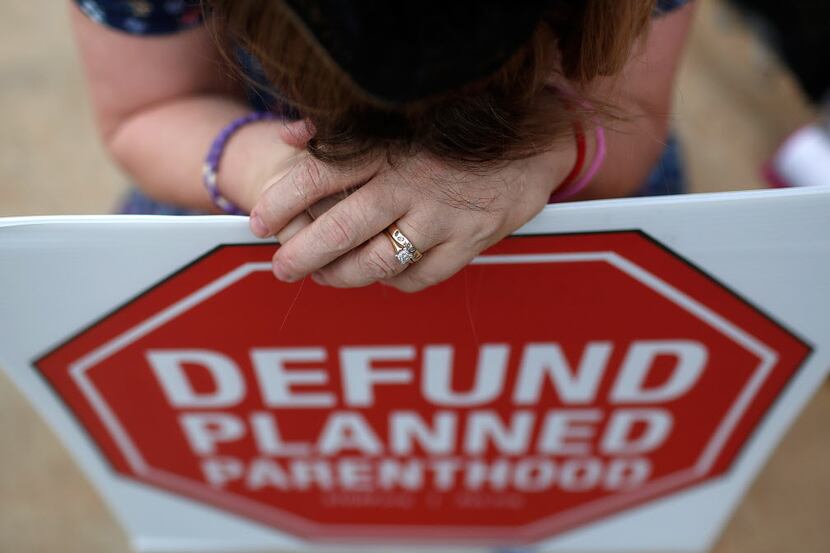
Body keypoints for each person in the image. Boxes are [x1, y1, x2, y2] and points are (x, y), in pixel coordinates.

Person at [71, 0, 694, 291]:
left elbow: (635, 114)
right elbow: (146, 110)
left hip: (563, 156)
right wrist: (265, 169)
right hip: (248, 140)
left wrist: (559, 144)